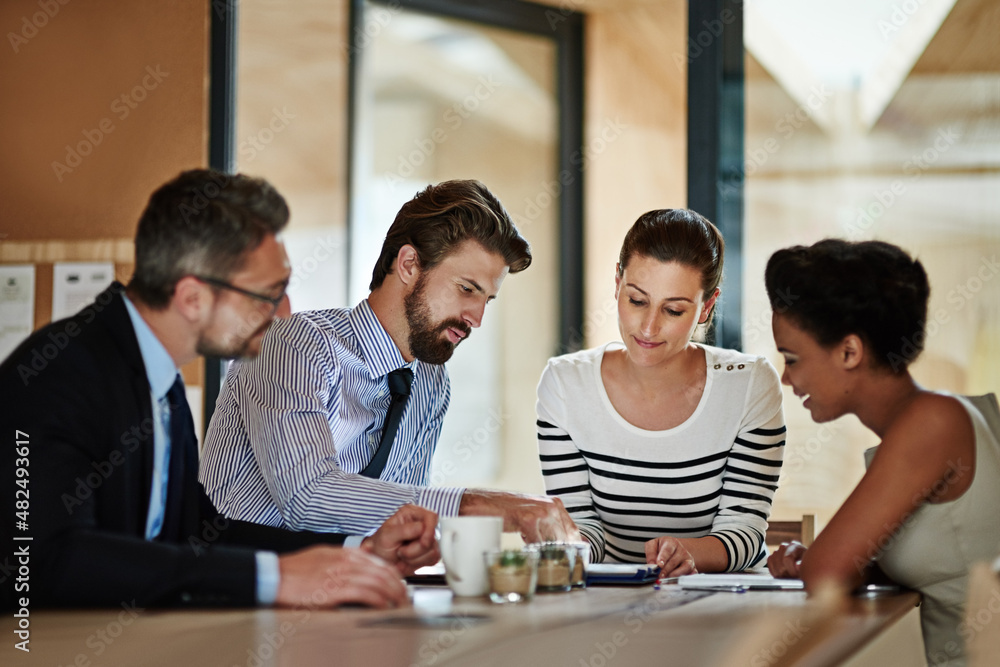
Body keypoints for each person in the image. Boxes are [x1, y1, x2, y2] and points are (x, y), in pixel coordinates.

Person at [0, 169, 439, 611]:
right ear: (192, 298)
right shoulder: (54, 376)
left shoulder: (162, 382)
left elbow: (199, 530)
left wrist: (353, 556)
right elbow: (46, 562)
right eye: (268, 295)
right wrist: (272, 578)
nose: (283, 314)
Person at [199, 179, 578, 542]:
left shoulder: (430, 383)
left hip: (346, 592)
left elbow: (403, 521)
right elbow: (308, 496)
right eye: (466, 289)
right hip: (232, 595)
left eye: (486, 300)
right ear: (410, 264)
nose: (476, 318)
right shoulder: (292, 345)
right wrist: (477, 505)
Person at [764, 239, 1000, 665]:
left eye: (793, 359)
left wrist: (818, 561)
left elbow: (826, 575)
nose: (785, 378)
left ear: (850, 352)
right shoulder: (934, 419)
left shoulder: (933, 421)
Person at [537, 209, 786, 575]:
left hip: (721, 603)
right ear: (618, 283)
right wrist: (564, 546)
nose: (649, 327)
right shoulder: (565, 384)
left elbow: (744, 529)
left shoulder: (748, 385)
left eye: (673, 310)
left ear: (707, 307)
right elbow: (581, 525)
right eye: (637, 301)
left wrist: (688, 553)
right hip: (610, 602)